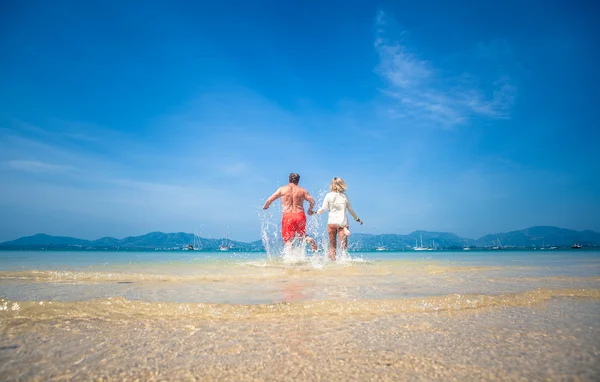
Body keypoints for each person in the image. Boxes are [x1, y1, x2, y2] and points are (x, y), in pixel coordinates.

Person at [263, 173, 318, 251]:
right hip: (300, 215)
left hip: (288, 216)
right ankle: (309, 239)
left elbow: (269, 200)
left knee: (288, 240)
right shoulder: (302, 191)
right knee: (302, 235)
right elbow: (313, 202)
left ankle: (289, 260)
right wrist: (310, 210)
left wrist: (265, 206)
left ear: (289, 179)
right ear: (298, 181)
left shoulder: (282, 189)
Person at [317, 177, 363, 261]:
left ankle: (333, 266)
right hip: (342, 224)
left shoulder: (328, 195)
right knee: (343, 248)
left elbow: (323, 209)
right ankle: (343, 267)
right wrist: (357, 219)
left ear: (332, 185)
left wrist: (316, 212)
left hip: (331, 223)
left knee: (332, 247)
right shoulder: (344, 196)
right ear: (342, 185)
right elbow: (350, 210)